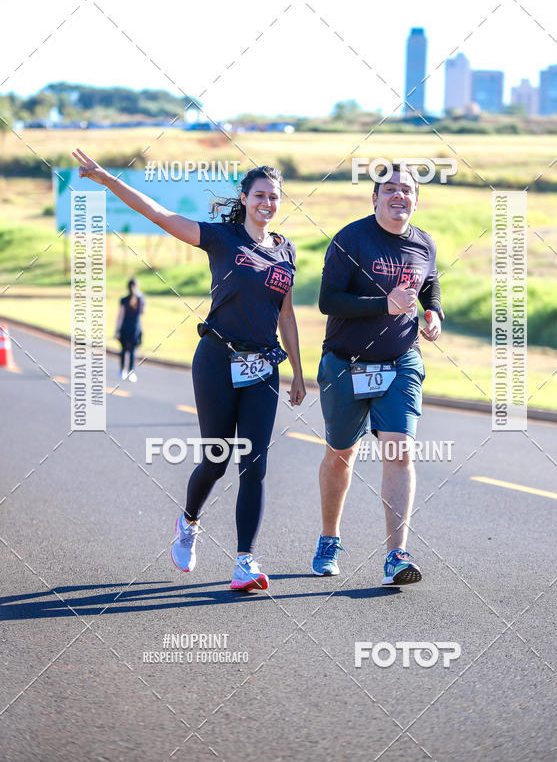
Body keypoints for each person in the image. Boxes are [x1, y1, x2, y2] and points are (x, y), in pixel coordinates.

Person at [72, 149, 306, 591]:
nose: (267, 204)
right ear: (245, 196)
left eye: (274, 197)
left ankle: (244, 563)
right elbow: (159, 213)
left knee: (253, 464)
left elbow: (287, 316)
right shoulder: (222, 237)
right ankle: (189, 521)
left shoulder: (286, 251)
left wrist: (297, 370)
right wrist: (108, 181)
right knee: (216, 459)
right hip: (217, 360)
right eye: (260, 195)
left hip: (263, 367)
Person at [312, 162, 444, 586]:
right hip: (346, 363)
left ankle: (396, 554)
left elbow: (429, 286)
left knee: (399, 452)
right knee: (341, 455)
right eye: (390, 189)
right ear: (374, 198)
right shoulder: (351, 239)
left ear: (416, 200)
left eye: (407, 189)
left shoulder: (424, 244)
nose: (399, 195)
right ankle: (329, 538)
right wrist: (381, 305)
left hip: (402, 361)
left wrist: (434, 312)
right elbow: (328, 300)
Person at [115, 278, 144, 382]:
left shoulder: (124, 300)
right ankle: (131, 372)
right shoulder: (140, 299)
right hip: (135, 329)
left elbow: (120, 316)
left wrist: (117, 330)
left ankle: (122, 371)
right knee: (132, 352)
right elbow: (143, 313)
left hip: (125, 328)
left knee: (123, 350)